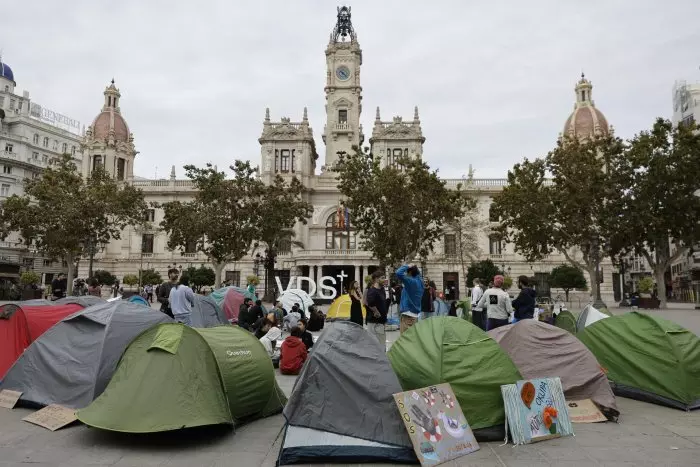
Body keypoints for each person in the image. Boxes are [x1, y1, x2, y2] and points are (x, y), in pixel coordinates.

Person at [396, 264, 423, 334]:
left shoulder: (411, 281)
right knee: (412, 340)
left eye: (407, 273)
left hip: (408, 314)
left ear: (410, 272)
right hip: (415, 315)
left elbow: (398, 273)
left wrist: (407, 265)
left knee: (405, 341)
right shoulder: (420, 281)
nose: (406, 274)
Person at [366, 271, 388, 345]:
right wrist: (376, 311)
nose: (384, 279)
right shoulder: (372, 291)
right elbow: (369, 303)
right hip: (375, 323)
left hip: (381, 323)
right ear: (376, 279)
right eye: (382, 278)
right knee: (378, 347)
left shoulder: (382, 290)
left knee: (381, 345)